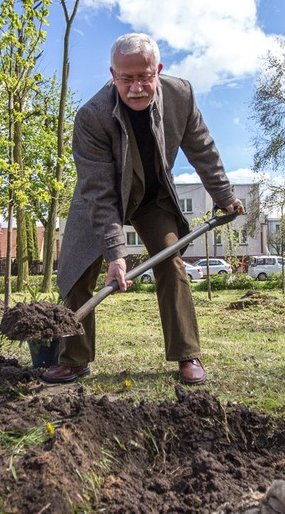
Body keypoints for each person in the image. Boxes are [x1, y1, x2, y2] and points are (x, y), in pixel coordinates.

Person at [42, 33, 244, 386]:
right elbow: (98, 192)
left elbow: (202, 149)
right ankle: (74, 359)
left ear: (158, 70)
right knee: (76, 274)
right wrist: (116, 255)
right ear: (112, 74)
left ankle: (187, 354)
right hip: (102, 199)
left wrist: (224, 194)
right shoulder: (92, 116)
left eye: (144, 77)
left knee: (171, 262)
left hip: (152, 198)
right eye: (127, 79)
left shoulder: (180, 95)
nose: (136, 88)